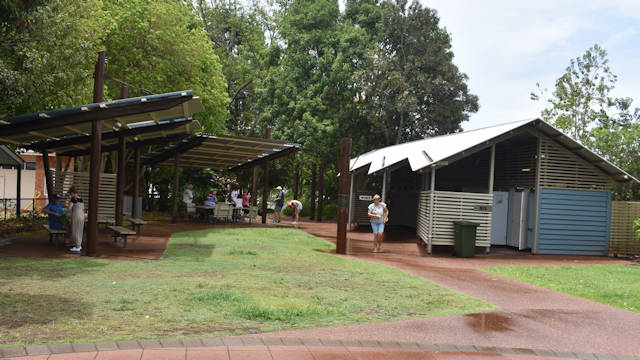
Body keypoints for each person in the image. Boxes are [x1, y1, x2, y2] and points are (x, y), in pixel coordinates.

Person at [67, 187, 85, 253]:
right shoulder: (81, 199)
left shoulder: (73, 199)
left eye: (70, 194)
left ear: (72, 193)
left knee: (75, 230)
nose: (70, 195)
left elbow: (69, 208)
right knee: (80, 230)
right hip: (82, 215)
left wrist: (66, 207)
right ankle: (79, 245)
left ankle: (77, 246)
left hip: (76, 215)